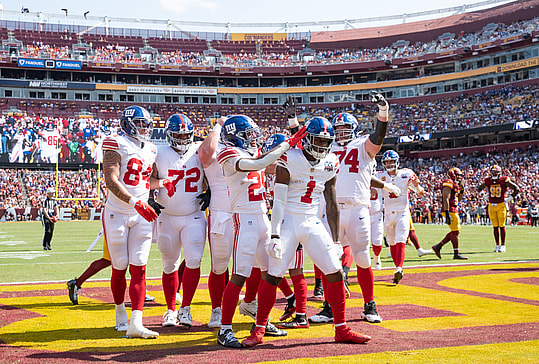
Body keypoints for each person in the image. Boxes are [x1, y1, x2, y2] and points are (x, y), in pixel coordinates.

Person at [242, 117, 371, 347]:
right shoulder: (290, 157)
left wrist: (336, 240)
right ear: (307, 139)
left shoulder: (331, 161)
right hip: (289, 220)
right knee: (273, 275)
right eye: (318, 141)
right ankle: (259, 329)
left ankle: (341, 328)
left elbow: (331, 202)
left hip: (312, 221)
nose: (322, 147)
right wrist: (274, 234)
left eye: (326, 142)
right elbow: (279, 200)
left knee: (335, 273)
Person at [216, 115, 305, 348]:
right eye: (248, 134)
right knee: (240, 275)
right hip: (244, 220)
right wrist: (287, 143)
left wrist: (297, 148)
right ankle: (225, 329)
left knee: (271, 274)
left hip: (262, 218)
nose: (253, 139)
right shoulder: (227, 154)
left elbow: (275, 164)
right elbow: (257, 165)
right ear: (234, 136)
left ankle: (261, 323)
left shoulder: (251, 152)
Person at [309, 94, 397, 325]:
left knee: (363, 258)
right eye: (338, 128)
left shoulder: (363, 145)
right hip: (330, 209)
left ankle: (369, 305)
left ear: (355, 129)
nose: (341, 132)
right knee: (328, 260)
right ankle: (330, 307)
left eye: (346, 128)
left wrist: (382, 113)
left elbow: (378, 135)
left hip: (357, 208)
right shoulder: (325, 149)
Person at [102, 105, 173, 339]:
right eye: (140, 123)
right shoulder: (116, 142)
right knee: (119, 266)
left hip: (141, 212)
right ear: (128, 124)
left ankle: (136, 322)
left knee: (140, 267)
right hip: (118, 212)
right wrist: (135, 202)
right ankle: (120, 313)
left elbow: (144, 181)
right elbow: (111, 179)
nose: (145, 128)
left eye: (147, 124)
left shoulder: (151, 149)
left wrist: (162, 184)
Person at [152, 114, 207, 328]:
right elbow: (148, 180)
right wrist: (151, 195)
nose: (183, 140)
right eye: (178, 135)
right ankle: (170, 310)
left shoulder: (200, 149)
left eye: (186, 135)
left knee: (193, 261)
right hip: (167, 215)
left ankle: (186, 308)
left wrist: (210, 190)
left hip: (193, 214)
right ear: (169, 135)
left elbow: (213, 173)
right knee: (169, 265)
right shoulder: (159, 152)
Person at [377, 150, 426, 284]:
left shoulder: (406, 174)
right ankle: (397, 267)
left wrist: (416, 185)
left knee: (401, 240)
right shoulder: (379, 175)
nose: (389, 164)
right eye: (386, 161)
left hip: (402, 212)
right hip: (387, 213)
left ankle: (399, 268)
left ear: (396, 161)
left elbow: (420, 193)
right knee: (392, 242)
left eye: (391, 161)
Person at [477, 165, 520, 252]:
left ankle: (503, 245)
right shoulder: (488, 180)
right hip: (491, 205)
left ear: (499, 173)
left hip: (501, 205)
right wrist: (484, 196)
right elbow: (479, 188)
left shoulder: (504, 180)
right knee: (495, 227)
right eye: (493, 172)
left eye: (496, 172)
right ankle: (497, 245)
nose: (494, 173)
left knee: (502, 226)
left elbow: (516, 189)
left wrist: (509, 199)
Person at [431, 167, 468, 260]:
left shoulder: (455, 184)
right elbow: (445, 198)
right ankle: (456, 253)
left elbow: (457, 199)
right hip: (449, 209)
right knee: (455, 231)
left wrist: (462, 191)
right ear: (453, 174)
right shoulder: (448, 182)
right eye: (458, 175)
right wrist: (447, 213)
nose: (460, 177)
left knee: (455, 231)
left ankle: (438, 246)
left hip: (453, 208)